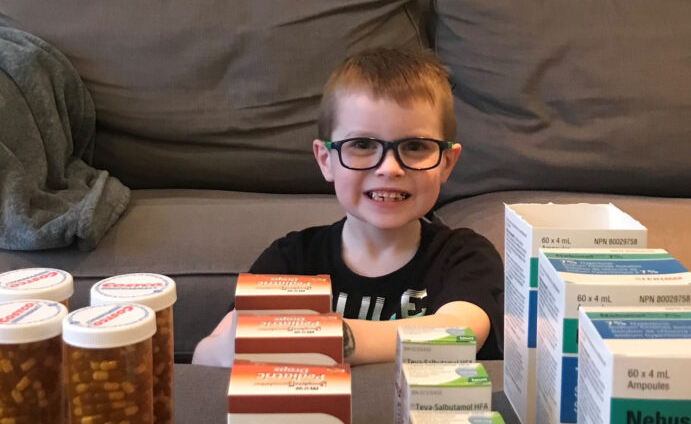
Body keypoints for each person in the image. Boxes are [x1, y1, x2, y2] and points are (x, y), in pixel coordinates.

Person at [192, 46, 503, 367]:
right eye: (363, 145)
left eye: (414, 146)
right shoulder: (293, 257)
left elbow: (458, 336)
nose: (389, 168)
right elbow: (207, 354)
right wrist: (234, 347)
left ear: (446, 163)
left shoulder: (464, 255)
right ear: (326, 160)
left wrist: (318, 339)